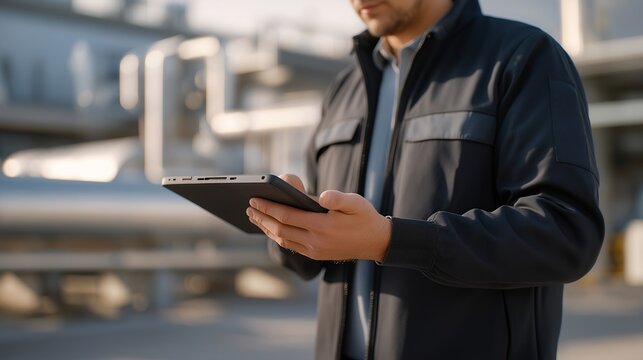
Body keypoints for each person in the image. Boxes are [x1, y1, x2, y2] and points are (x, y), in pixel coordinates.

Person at [245, 0, 604, 358]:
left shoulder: (523, 57)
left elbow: (566, 233)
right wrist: (289, 229)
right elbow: (315, 258)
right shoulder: (345, 87)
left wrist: (390, 241)